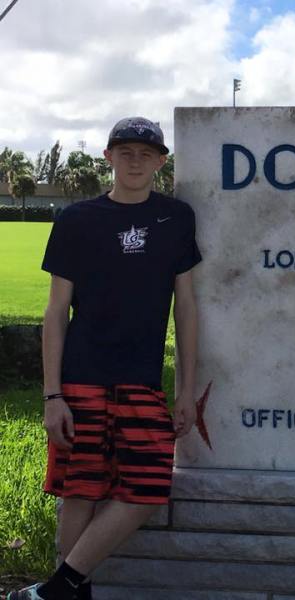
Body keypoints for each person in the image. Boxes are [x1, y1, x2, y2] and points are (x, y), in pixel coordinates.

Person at [7, 117, 202, 600]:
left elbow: (186, 306)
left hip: (142, 379)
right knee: (81, 490)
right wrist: (51, 395)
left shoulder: (176, 218)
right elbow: (56, 312)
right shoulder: (77, 219)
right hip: (81, 379)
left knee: (148, 488)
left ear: (161, 162)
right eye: (125, 152)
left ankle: (55, 592)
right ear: (108, 157)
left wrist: (186, 391)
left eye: (146, 154)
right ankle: (71, 594)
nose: (135, 161)